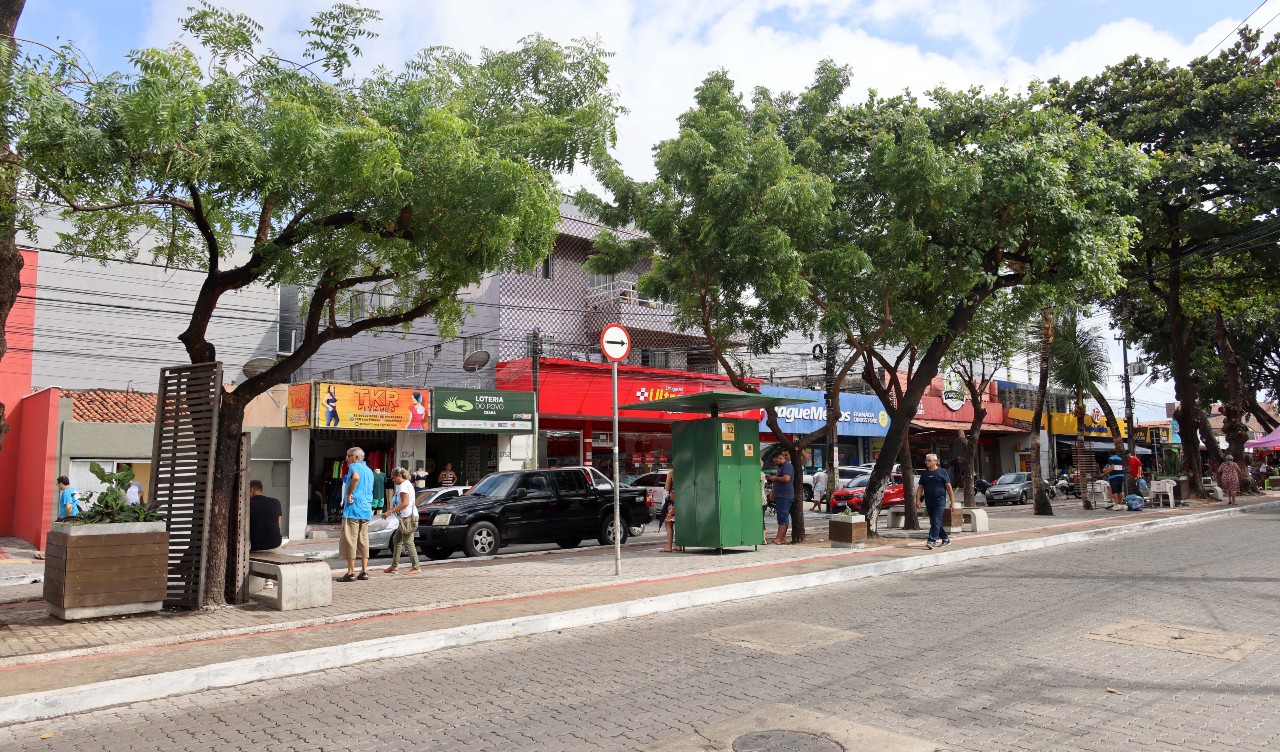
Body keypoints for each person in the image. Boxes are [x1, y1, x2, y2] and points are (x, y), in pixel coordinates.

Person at [338, 447, 374, 582]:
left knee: (350, 539)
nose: (347, 459)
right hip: (365, 508)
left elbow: (356, 477)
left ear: (356, 457)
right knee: (363, 539)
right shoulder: (369, 470)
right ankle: (364, 571)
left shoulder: (354, 467)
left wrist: (348, 494)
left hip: (353, 508)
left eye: (349, 456)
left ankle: (350, 572)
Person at [381, 467, 420, 573]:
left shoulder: (403, 486)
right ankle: (394, 565)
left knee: (408, 542)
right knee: (397, 539)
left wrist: (389, 512)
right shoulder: (405, 484)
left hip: (408, 517)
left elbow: (405, 503)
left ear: (399, 476)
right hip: (405, 517)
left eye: (393, 478)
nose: (393, 480)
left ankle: (416, 567)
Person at [916, 453, 955, 550]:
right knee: (934, 522)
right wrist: (917, 500)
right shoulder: (924, 474)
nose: (927, 462)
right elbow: (920, 488)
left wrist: (952, 502)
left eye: (929, 460)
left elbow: (949, 487)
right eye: (926, 460)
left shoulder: (942, 472)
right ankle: (945, 539)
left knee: (936, 520)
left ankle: (931, 540)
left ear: (935, 461)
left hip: (940, 502)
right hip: (929, 501)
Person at [766, 452, 795, 544]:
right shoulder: (781, 468)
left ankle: (778, 538)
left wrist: (775, 479)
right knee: (782, 517)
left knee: (783, 517)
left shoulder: (787, 466)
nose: (775, 463)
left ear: (780, 459)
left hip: (784, 496)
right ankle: (781, 538)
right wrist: (773, 490)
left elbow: (786, 478)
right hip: (781, 496)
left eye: (776, 461)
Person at [248, 479, 283, 552]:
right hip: (276, 545)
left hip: (256, 547)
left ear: (251, 491)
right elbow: (279, 524)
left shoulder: (248, 505)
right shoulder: (276, 502)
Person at [660, 471, 676, 552]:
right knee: (679, 524)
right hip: (684, 500)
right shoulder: (686, 471)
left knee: (668, 524)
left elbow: (666, 490)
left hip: (673, 501)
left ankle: (669, 546)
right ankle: (679, 545)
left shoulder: (671, 473)